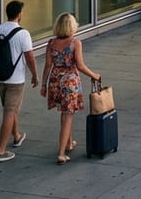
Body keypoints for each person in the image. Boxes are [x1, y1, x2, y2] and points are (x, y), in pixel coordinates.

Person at [40, 12, 100, 165]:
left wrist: (43, 84)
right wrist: (94, 75)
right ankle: (61, 153)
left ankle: (69, 142)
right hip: (69, 82)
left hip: (55, 81)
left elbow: (48, 65)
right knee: (68, 115)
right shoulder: (75, 43)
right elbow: (80, 65)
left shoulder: (51, 43)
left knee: (64, 113)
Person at [0, 0, 39, 163]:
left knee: (11, 108)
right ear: (19, 14)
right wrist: (35, 75)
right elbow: (29, 57)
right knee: (9, 112)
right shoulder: (23, 34)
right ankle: (1, 151)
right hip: (15, 79)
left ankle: (17, 136)